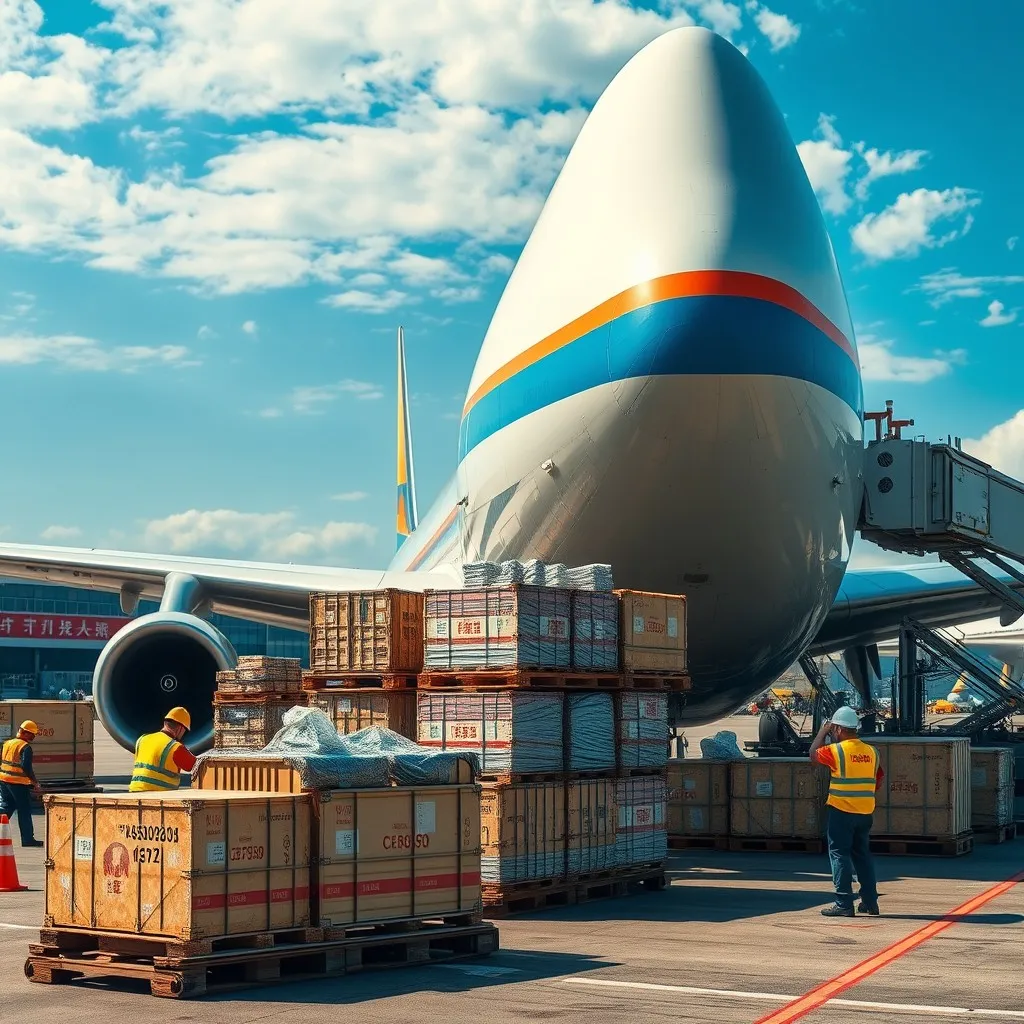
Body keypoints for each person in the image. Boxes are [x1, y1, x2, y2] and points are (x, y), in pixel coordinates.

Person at [809, 705, 884, 918]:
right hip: (864, 813)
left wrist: (823, 731)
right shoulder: (873, 752)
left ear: (839, 730)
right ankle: (870, 902)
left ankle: (843, 902)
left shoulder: (837, 751)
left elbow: (813, 755)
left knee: (839, 855)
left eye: (834, 730)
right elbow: (877, 781)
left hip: (842, 811)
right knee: (862, 856)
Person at [128, 707, 197, 792]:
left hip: (134, 792)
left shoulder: (142, 739)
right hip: (159, 796)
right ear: (180, 728)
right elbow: (194, 765)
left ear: (165, 723)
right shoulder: (175, 747)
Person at [0, 720, 44, 847]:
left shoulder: (7, 743)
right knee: (24, 810)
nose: (33, 737)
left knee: (7, 807)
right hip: (17, 783)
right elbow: (26, 767)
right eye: (32, 735)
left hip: (3, 780)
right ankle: (27, 839)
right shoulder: (25, 747)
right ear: (25, 733)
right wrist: (35, 783)